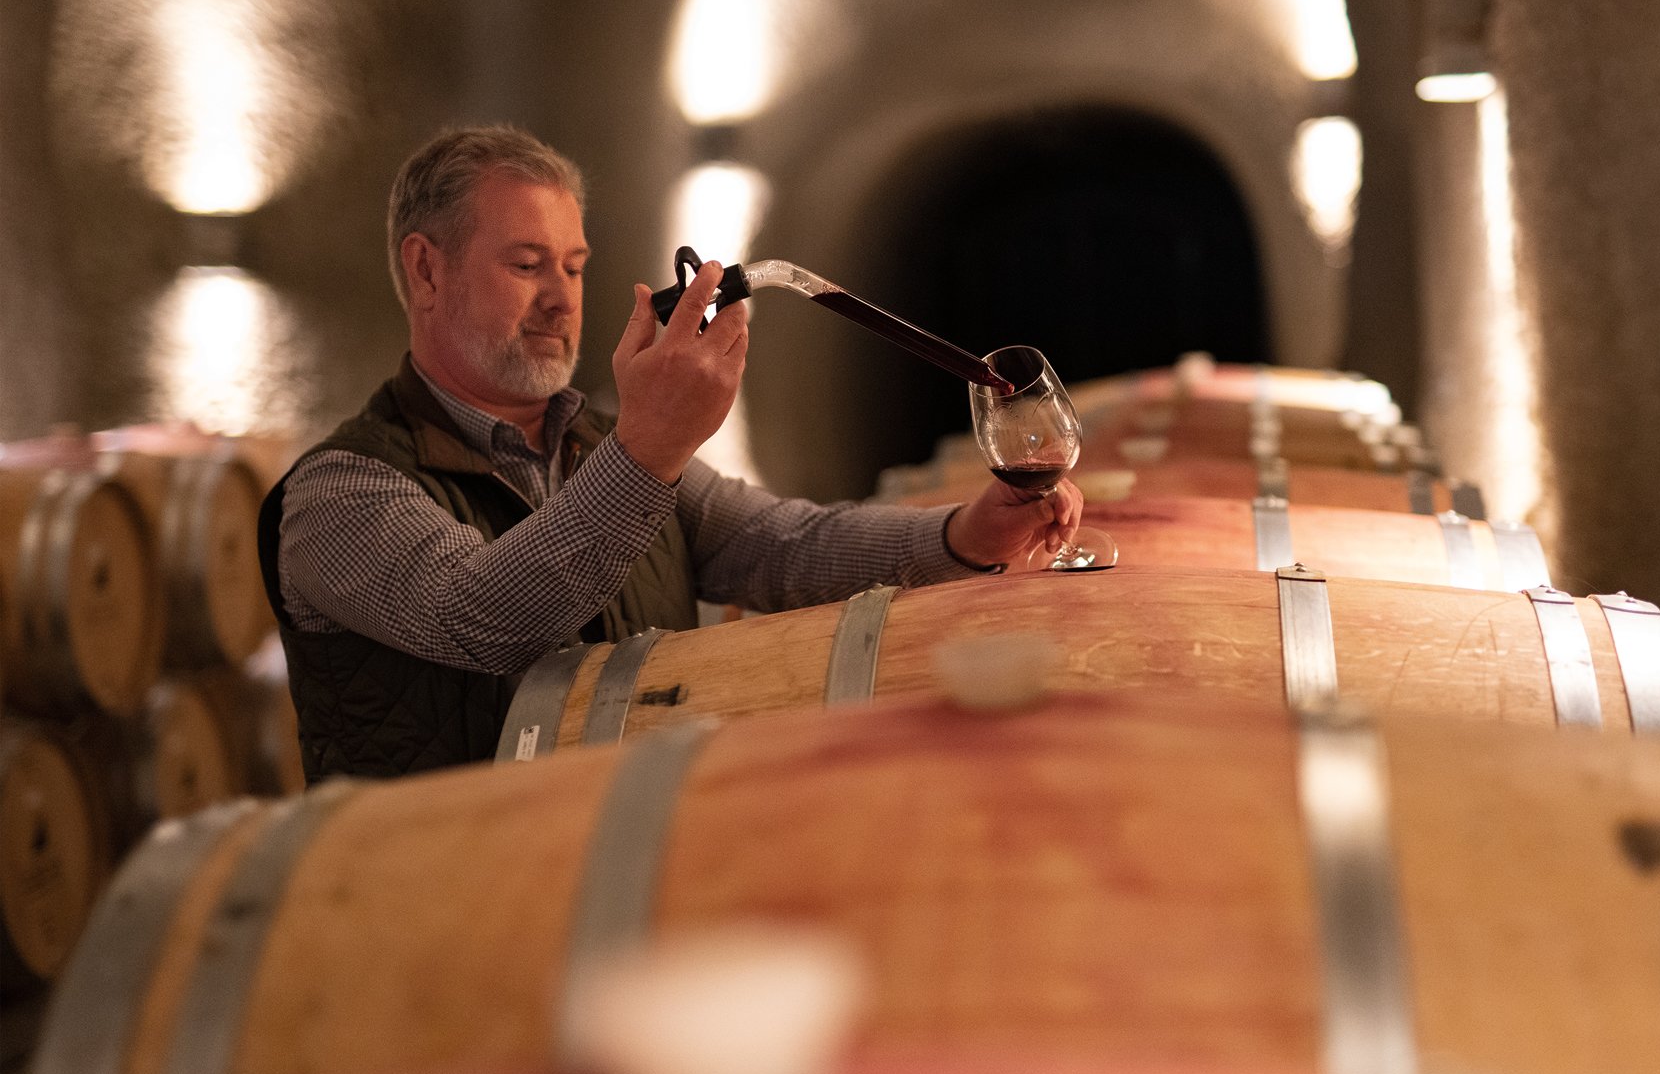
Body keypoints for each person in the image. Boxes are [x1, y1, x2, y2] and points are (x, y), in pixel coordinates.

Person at [257, 126, 1081, 781]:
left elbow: (779, 544)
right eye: (526, 264)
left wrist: (962, 537)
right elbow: (483, 619)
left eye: (575, 268)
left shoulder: (590, 449)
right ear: (426, 271)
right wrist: (649, 445)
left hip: (617, 865)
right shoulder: (341, 492)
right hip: (439, 905)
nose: (560, 300)